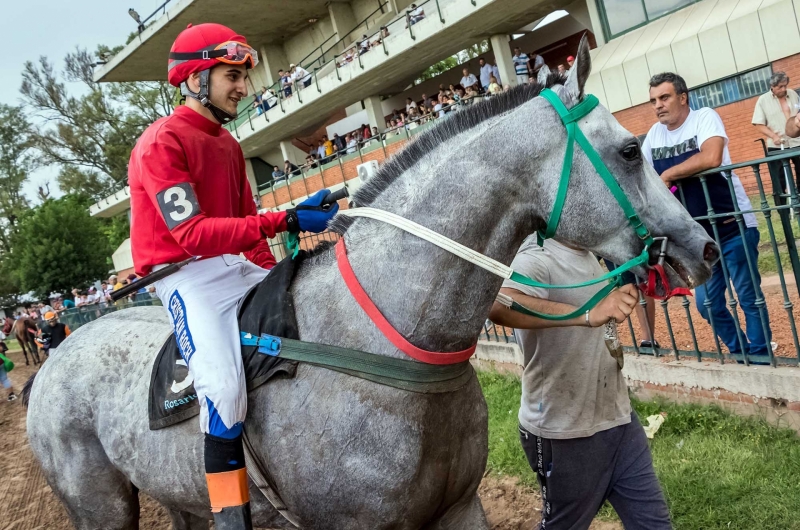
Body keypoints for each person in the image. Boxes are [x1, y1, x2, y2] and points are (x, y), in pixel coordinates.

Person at [128, 22, 339, 528]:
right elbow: (194, 236)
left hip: (234, 265)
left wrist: (279, 274)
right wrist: (285, 218)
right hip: (186, 277)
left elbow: (248, 234)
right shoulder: (161, 142)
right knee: (223, 390)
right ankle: (230, 518)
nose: (242, 87)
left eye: (243, 75)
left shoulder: (228, 144)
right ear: (195, 77)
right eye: (231, 74)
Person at [489, 236, 671, 530]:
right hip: (563, 433)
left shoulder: (588, 255)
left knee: (654, 525)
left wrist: (615, 305)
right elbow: (498, 305)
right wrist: (587, 314)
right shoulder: (536, 257)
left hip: (619, 420)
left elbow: (600, 322)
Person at [642, 72, 773, 361]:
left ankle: (763, 357)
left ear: (682, 97)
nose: (658, 106)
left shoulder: (704, 117)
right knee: (708, 304)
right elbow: (644, 179)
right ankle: (743, 353)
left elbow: (712, 156)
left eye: (664, 97)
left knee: (748, 297)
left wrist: (669, 174)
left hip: (732, 224)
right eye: (653, 100)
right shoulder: (654, 135)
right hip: (696, 240)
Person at [751, 71, 800, 193]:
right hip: (778, 145)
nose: (783, 89)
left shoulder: (793, 94)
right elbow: (758, 124)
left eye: (785, 86)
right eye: (780, 87)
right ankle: (784, 211)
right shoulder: (763, 100)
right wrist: (773, 136)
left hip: (797, 142)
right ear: (772, 86)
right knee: (779, 180)